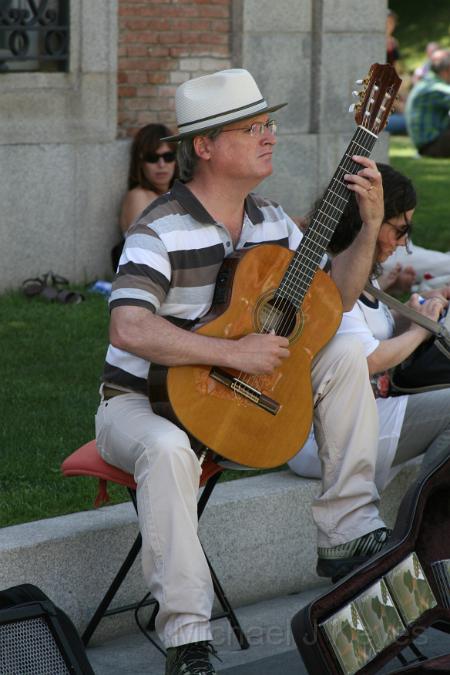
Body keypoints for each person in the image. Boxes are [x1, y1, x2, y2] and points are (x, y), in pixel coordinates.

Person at [96, 68, 387, 674]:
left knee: (342, 352)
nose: (270, 136)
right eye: (252, 127)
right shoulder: (159, 228)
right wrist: (234, 353)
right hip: (138, 405)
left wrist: (368, 229)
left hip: (237, 402)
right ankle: (188, 640)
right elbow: (128, 327)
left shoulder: (272, 222)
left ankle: (347, 528)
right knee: (169, 449)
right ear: (203, 147)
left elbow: (333, 301)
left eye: (269, 123)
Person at [289, 163, 450, 500]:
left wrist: (414, 313)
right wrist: (422, 329)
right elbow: (368, 358)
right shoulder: (325, 274)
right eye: (399, 230)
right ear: (368, 216)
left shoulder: (356, 267)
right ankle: (425, 522)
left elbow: (367, 331)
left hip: (366, 415)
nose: (404, 244)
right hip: (327, 434)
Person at [111, 123, 178, 270]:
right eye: (152, 158)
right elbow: (144, 247)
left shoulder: (180, 193)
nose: (161, 164)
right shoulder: (138, 196)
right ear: (140, 161)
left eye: (168, 156)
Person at [405, 49, 450, 157]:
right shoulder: (434, 88)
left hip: (428, 144)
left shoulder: (428, 82)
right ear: (447, 71)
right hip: (431, 146)